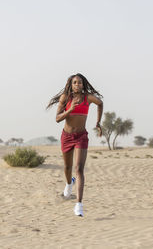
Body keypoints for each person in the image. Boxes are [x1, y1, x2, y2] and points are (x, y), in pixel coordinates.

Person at [47, 73, 103, 216]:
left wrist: (98, 122)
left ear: (83, 84)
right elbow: (57, 119)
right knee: (67, 167)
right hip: (66, 137)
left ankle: (79, 204)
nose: (77, 85)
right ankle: (68, 184)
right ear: (71, 85)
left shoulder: (87, 98)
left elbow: (100, 103)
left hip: (81, 137)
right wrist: (70, 109)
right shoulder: (65, 98)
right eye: (75, 82)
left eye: (80, 82)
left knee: (79, 169)